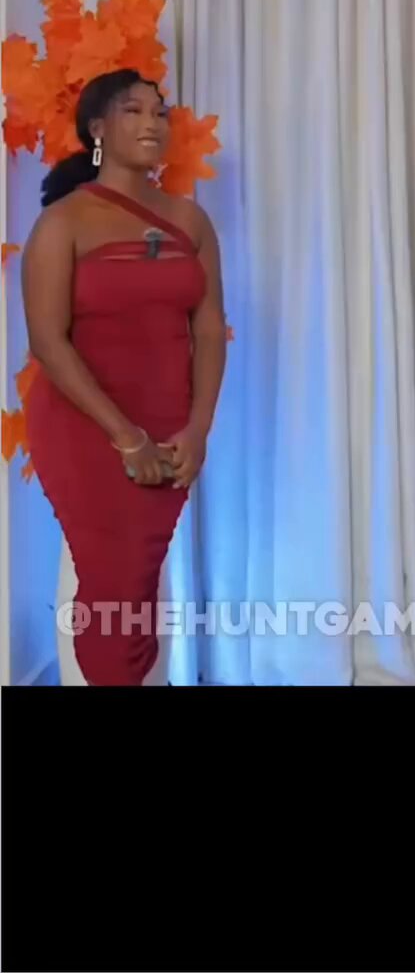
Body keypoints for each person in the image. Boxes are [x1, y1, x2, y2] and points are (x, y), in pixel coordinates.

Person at [22, 69, 228, 686]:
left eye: (160, 113)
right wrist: (125, 436)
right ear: (98, 129)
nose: (152, 123)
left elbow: (210, 331)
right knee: (110, 585)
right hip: (85, 426)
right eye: (133, 111)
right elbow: (47, 342)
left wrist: (198, 429)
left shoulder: (191, 221)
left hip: (169, 426)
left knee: (138, 582)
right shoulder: (63, 223)